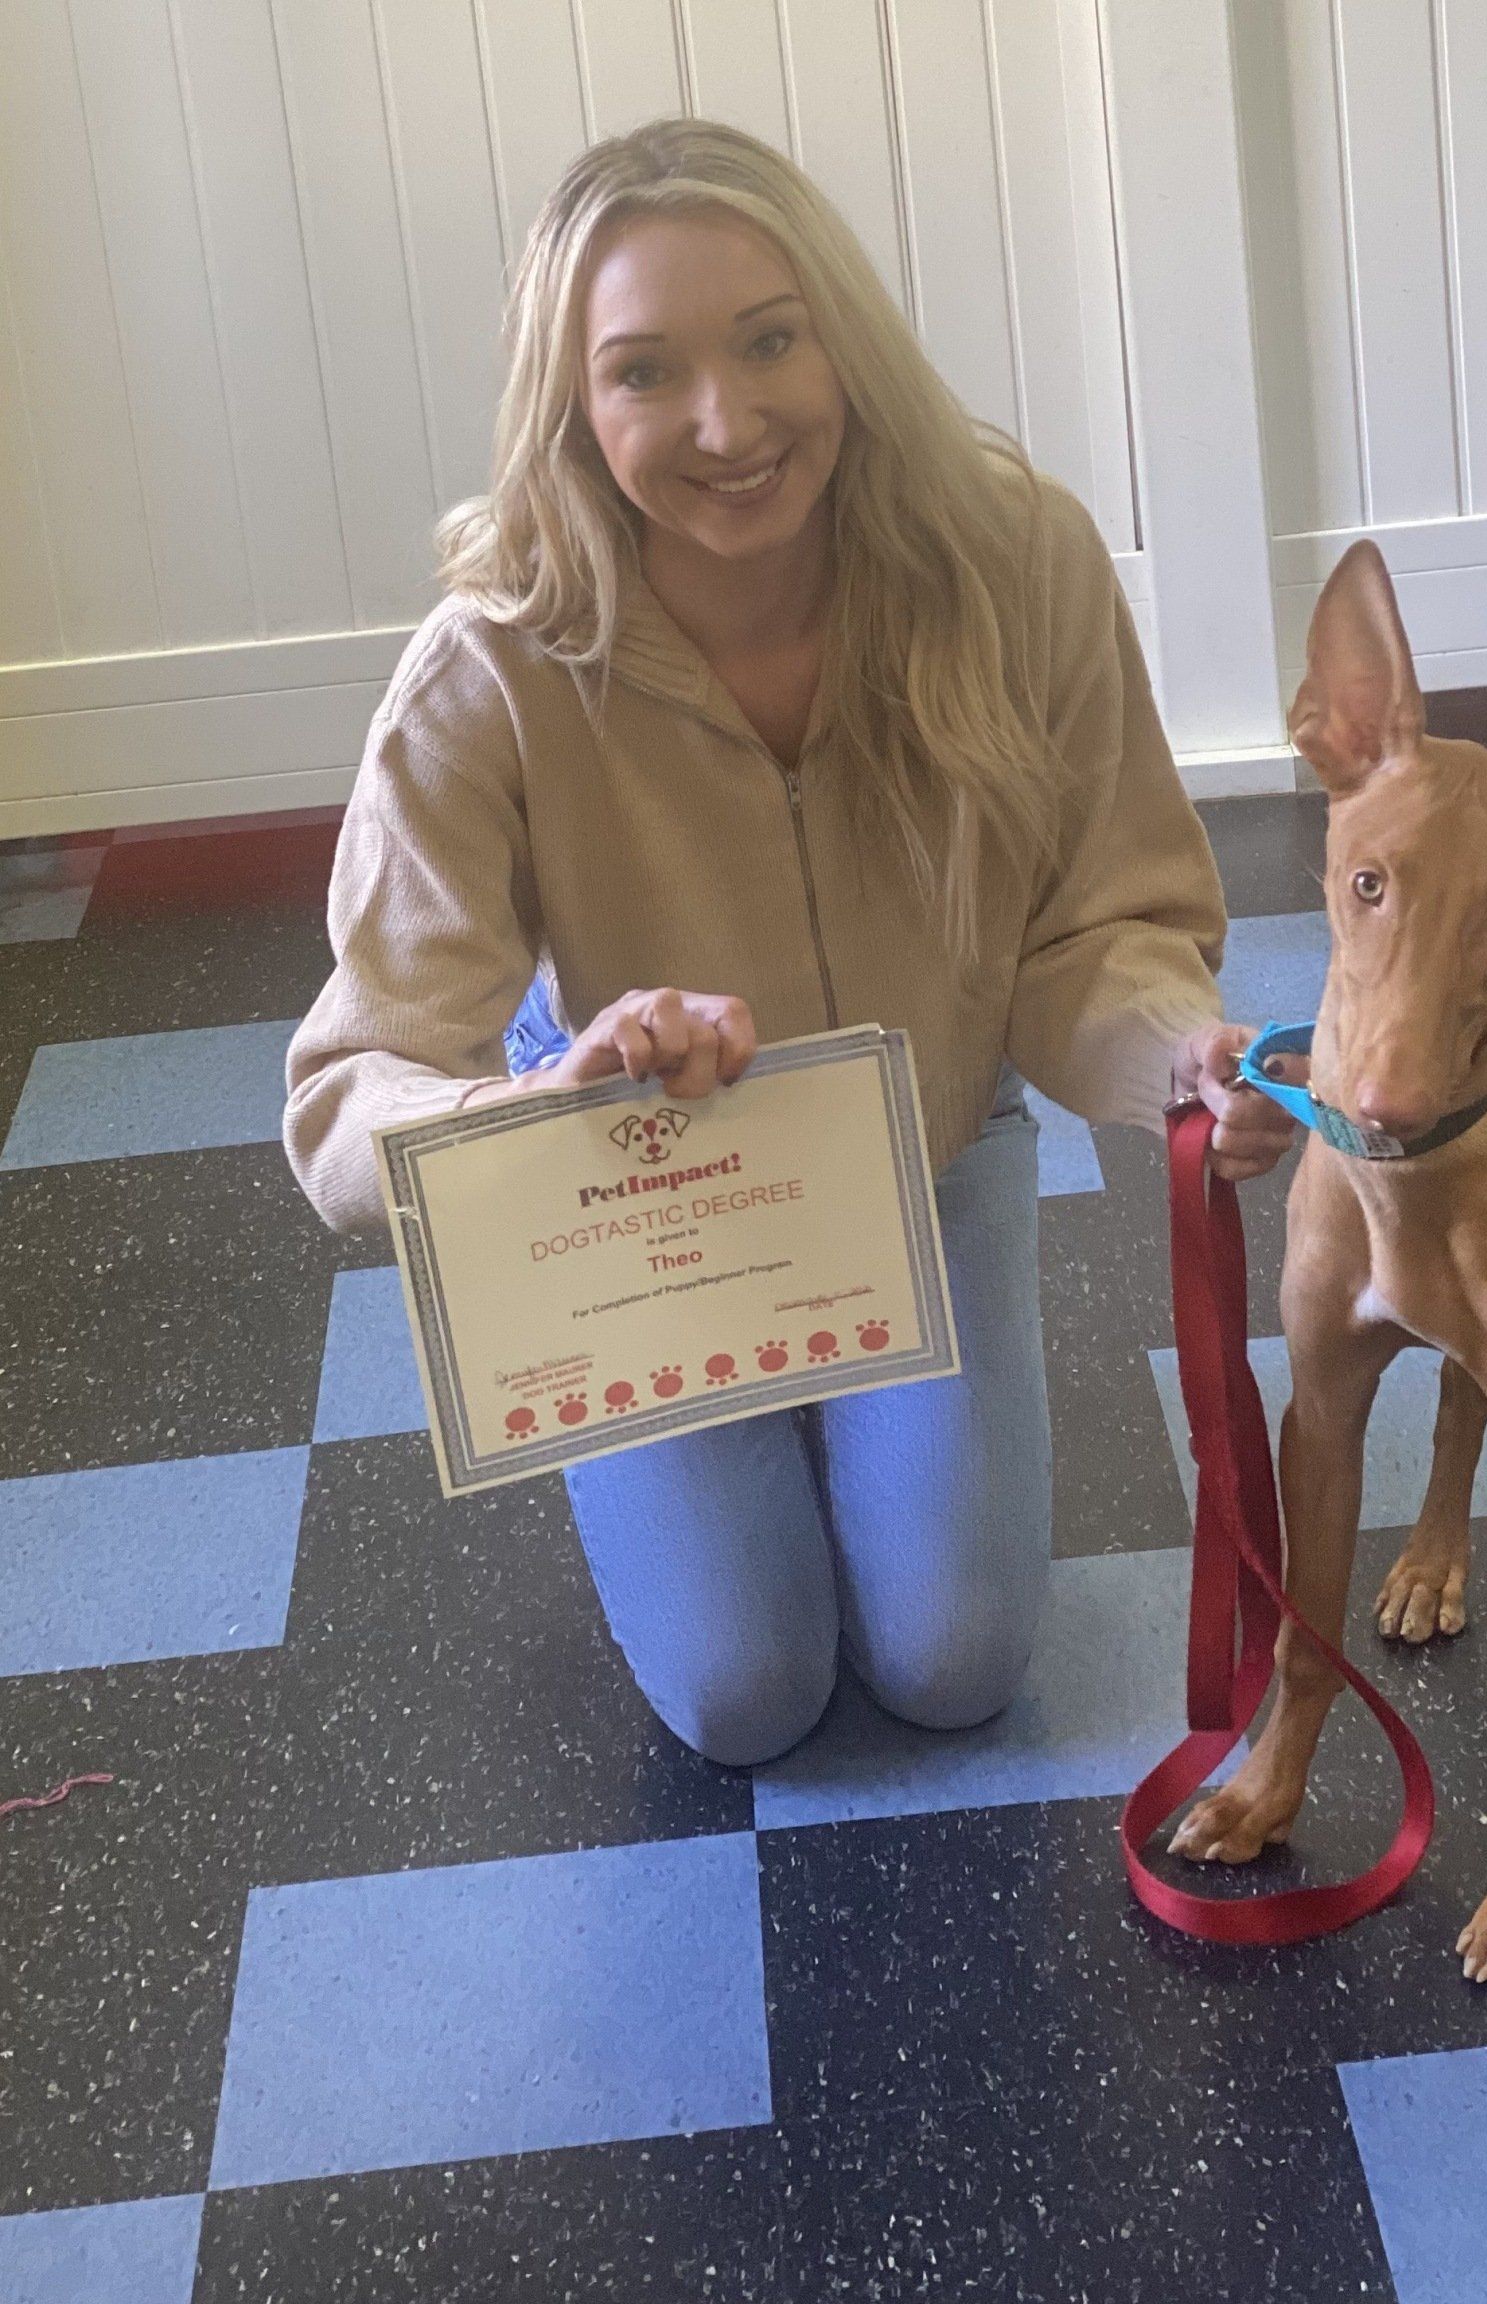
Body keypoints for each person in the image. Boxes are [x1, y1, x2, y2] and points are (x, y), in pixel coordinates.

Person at [284, 119, 1294, 1768]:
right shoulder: (490, 667)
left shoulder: (1016, 562)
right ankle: (726, 1441)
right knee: (745, 1694)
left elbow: (1098, 928)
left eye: (770, 340)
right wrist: (542, 1123)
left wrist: (1181, 1049)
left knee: (957, 1661)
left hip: (930, 1146)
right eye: (643, 372)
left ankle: (847, 1439)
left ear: (844, 333)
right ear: (570, 403)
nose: (726, 423)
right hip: (645, 1188)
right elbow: (347, 1093)